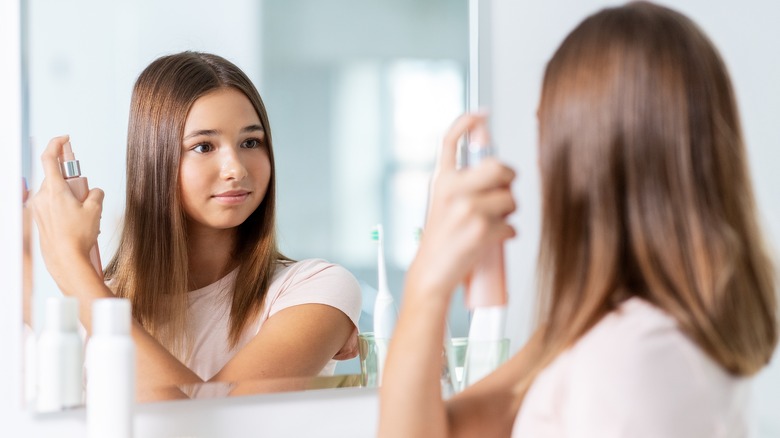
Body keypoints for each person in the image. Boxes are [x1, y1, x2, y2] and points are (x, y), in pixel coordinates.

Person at [380, 2, 778, 436]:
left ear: (585, 158)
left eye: (547, 133)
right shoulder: (620, 329)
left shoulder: (630, 359)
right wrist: (428, 283)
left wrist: (427, 283)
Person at [30, 52, 361, 400]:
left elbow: (209, 429)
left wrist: (71, 268)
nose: (236, 169)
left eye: (250, 142)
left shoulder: (314, 289)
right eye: (204, 146)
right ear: (155, 161)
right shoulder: (93, 306)